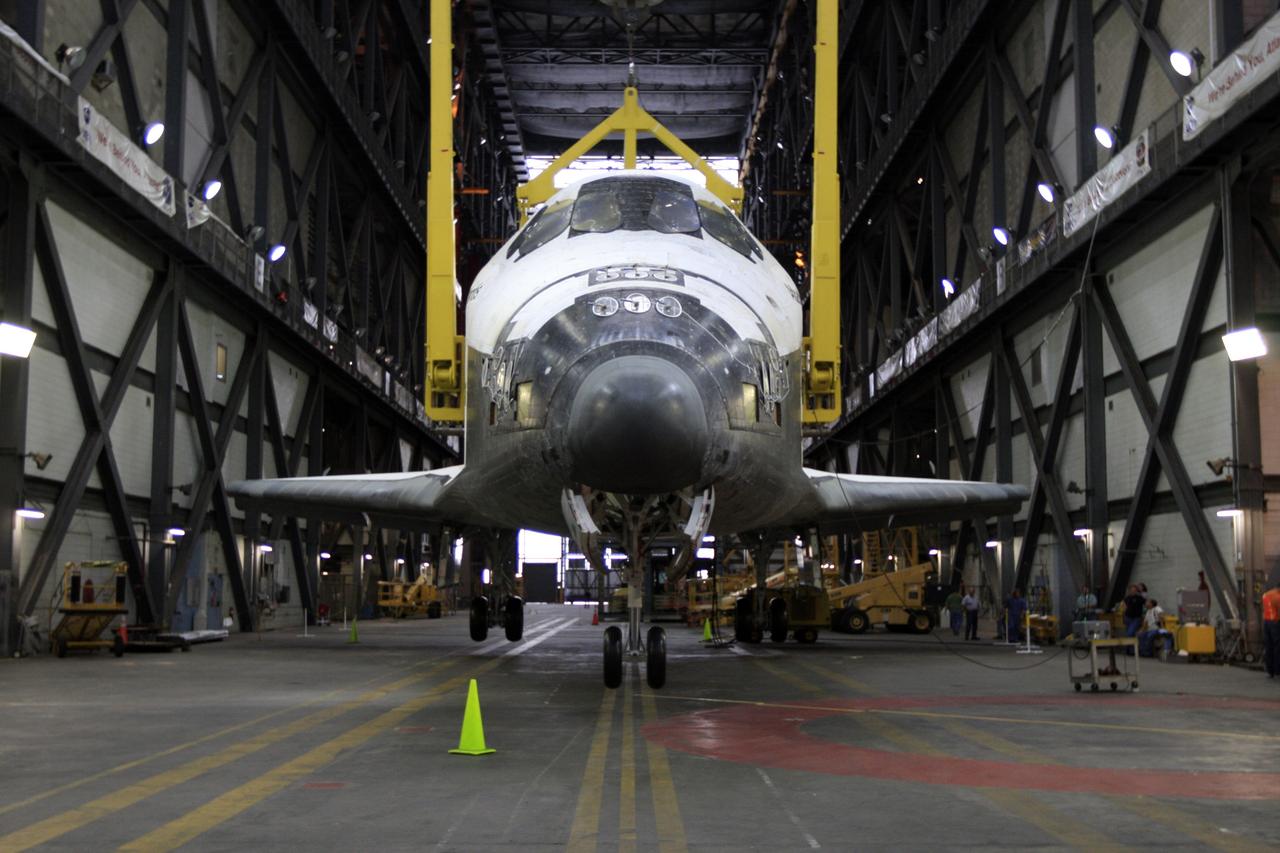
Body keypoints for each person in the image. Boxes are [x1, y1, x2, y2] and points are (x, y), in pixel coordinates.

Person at [1263, 579, 1280, 680]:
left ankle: (1270, 671)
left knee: (1268, 647)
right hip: (1275, 623)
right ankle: (1278, 671)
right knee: (1277, 648)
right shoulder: (1278, 597)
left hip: (1266, 622)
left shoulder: (1265, 595)